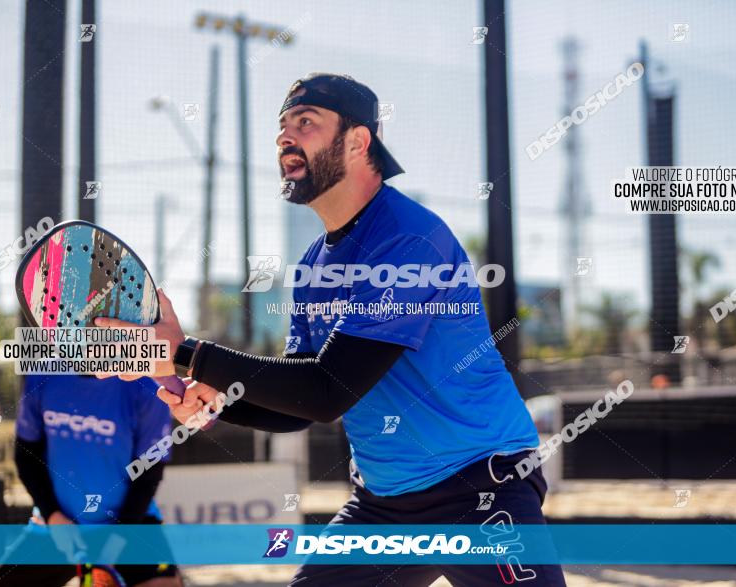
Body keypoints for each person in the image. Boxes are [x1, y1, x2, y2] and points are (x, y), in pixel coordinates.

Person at [98, 73, 566, 586]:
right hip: (384, 505)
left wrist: (186, 353)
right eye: (282, 125)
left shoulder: (410, 241)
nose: (284, 136)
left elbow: (327, 392)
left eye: (306, 122)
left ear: (359, 141)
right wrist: (209, 394)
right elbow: (299, 402)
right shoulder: (312, 266)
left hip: (479, 486)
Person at [0, 373, 181, 587]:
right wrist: (52, 516)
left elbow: (149, 475)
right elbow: (26, 456)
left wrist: (117, 540)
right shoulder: (41, 375)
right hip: (58, 526)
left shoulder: (150, 388)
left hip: (130, 523)